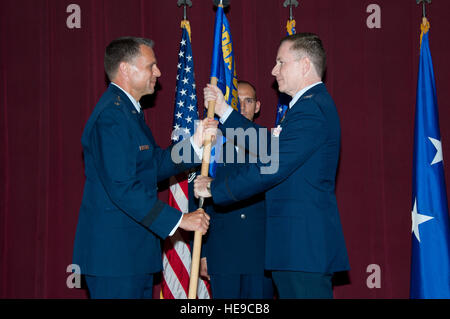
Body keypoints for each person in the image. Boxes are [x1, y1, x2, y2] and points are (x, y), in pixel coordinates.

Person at [194, 33, 350, 299]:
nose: (273, 70)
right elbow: (271, 147)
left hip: (302, 248)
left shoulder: (310, 109)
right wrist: (225, 111)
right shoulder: (308, 106)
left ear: (303, 65)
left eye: (280, 62)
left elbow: (273, 164)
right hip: (297, 248)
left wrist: (216, 188)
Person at [72, 37, 216, 299]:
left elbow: (152, 164)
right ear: (125, 69)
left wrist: (195, 143)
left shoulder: (128, 111)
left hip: (130, 256)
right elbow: (123, 188)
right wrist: (180, 219)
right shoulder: (112, 116)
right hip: (115, 258)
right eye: (151, 66)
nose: (158, 73)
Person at [191, 81, 273, 299]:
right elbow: (197, 199)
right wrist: (202, 253)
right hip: (222, 250)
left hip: (261, 252)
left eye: (249, 101)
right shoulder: (211, 145)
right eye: (238, 102)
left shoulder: (271, 145)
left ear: (258, 106)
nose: (244, 107)